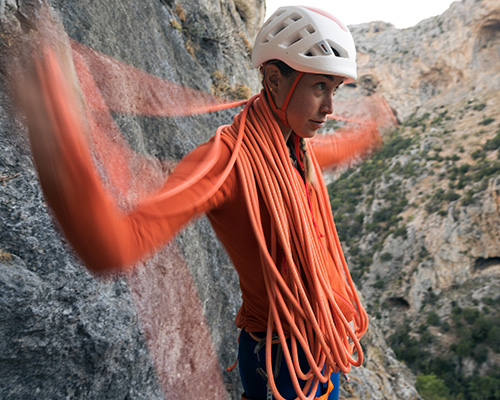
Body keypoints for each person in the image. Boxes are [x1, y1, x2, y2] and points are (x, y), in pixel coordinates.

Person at [14, 5, 379, 400]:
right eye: (319, 87)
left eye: (335, 90)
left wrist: (366, 136)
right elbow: (112, 246)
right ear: (274, 80)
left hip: (319, 347)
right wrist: (56, 132)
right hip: (285, 362)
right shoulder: (226, 161)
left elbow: (327, 152)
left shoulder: (296, 148)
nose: (330, 108)